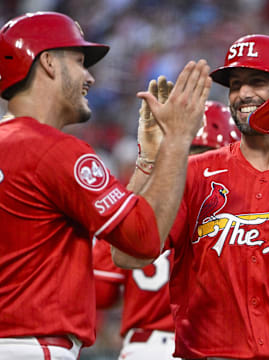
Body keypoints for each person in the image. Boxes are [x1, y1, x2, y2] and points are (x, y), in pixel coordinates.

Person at [112, 34, 269, 360]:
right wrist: (149, 162)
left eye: (257, 81)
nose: (243, 94)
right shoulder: (193, 175)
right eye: (235, 84)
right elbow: (128, 255)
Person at [0, 11, 211, 360]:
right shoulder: (54, 149)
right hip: (31, 347)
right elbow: (142, 242)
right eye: (81, 62)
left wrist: (147, 162)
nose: (90, 78)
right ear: (49, 63)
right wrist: (177, 139)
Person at [93, 98, 241, 360]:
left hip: (144, 347)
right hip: (207, 347)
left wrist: (144, 300)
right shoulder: (241, 214)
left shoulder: (141, 206)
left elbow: (101, 292)